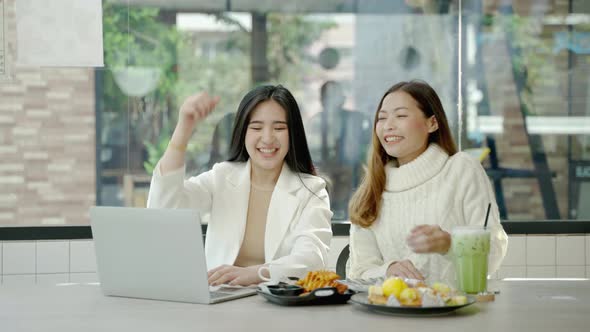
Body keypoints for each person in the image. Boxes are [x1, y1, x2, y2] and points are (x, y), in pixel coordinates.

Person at [147, 85, 333, 286]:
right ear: (243, 132)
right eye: (256, 127)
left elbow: (311, 259)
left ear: (293, 134)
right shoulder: (222, 177)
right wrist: (184, 129)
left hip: (279, 308)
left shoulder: (312, 190)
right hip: (219, 303)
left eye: (279, 128)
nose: (268, 138)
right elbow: (164, 209)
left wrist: (255, 274)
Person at [347, 80, 507, 284]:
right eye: (382, 118)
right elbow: (358, 272)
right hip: (391, 312)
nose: (388, 126)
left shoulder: (461, 169)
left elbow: (494, 252)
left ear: (432, 123)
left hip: (456, 311)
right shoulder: (372, 189)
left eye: (401, 115)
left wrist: (450, 245)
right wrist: (388, 270)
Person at [306, 81, 371, 219]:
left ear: (343, 98)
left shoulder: (358, 120)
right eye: (329, 97)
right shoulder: (314, 123)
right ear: (322, 101)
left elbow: (367, 151)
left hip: (352, 171)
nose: (333, 101)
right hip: (325, 173)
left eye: (336, 95)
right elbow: (311, 159)